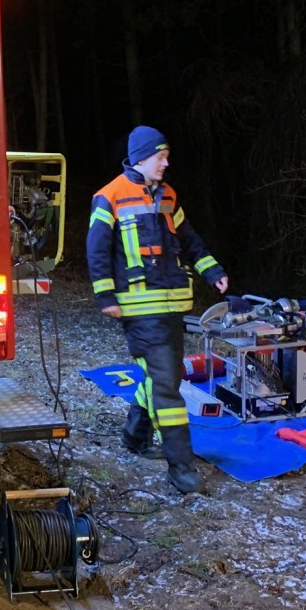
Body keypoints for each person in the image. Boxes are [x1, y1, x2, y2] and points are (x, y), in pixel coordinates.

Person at [87, 125, 229, 494]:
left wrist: (212, 271)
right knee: (167, 386)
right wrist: (106, 297)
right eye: (160, 157)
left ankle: (135, 436)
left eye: (166, 157)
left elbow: (189, 239)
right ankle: (181, 467)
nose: (166, 163)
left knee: (161, 376)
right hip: (139, 311)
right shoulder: (109, 197)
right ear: (140, 158)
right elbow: (97, 250)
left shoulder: (168, 197)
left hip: (172, 306)